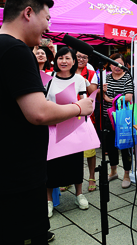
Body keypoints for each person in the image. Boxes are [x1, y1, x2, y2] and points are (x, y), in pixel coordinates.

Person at [0, 0, 94, 243]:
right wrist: (79, 108)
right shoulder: (15, 50)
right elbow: (38, 112)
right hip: (14, 177)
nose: (48, 27)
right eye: (46, 18)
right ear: (28, 13)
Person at [45, 47, 90, 216]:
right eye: (60, 58)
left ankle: (79, 194)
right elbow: (42, 102)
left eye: (67, 58)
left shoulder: (79, 79)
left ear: (73, 61)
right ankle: (48, 200)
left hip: (73, 127)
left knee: (75, 162)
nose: (63, 61)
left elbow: (85, 102)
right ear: (56, 60)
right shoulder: (48, 78)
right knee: (51, 164)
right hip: (53, 127)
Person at [103, 53, 134, 189]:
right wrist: (103, 95)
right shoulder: (106, 78)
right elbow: (100, 93)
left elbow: (128, 97)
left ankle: (127, 174)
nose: (117, 67)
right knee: (110, 146)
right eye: (114, 64)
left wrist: (112, 99)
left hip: (123, 119)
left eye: (120, 64)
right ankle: (113, 171)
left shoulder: (127, 77)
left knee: (125, 147)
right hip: (107, 117)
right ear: (109, 65)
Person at [76, 51, 99, 192]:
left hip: (86, 116)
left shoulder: (91, 72)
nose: (81, 59)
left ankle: (91, 177)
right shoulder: (67, 70)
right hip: (69, 113)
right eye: (78, 56)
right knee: (69, 150)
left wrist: (84, 80)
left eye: (84, 57)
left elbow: (93, 91)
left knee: (89, 149)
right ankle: (68, 177)